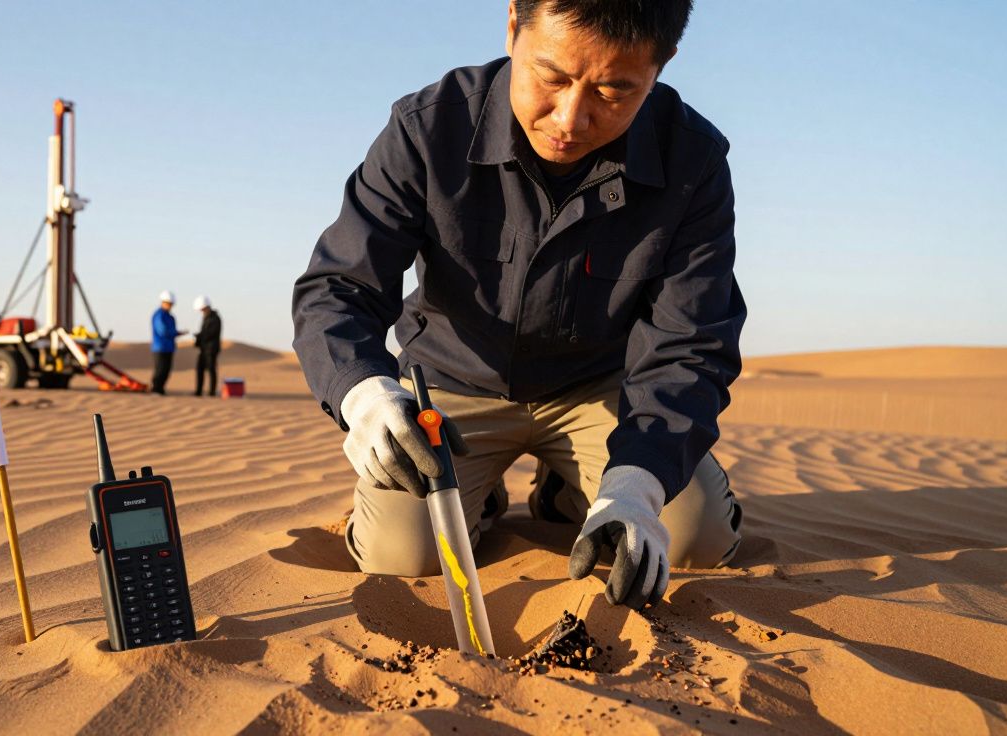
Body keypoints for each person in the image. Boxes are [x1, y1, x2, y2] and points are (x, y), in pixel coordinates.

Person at [292, 0, 745, 611]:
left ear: (661, 67)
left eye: (614, 92)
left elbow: (691, 342)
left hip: (600, 393)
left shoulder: (693, 161)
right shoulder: (428, 127)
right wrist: (365, 396)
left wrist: (637, 482)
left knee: (693, 538)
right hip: (450, 393)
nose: (571, 117)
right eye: (552, 77)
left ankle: (570, 490)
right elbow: (338, 287)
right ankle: (479, 496)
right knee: (405, 559)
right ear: (513, 26)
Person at [150, 290, 187, 395]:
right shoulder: (159, 315)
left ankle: (160, 389)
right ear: (163, 302)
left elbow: (170, 331)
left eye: (171, 304)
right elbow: (163, 331)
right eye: (168, 303)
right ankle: (156, 389)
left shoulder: (170, 316)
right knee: (160, 369)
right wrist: (176, 333)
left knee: (166, 370)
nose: (170, 306)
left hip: (169, 347)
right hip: (160, 347)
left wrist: (177, 333)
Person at [192, 295, 222, 397]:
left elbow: (210, 334)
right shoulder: (206, 318)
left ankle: (212, 392)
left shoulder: (215, 318)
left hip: (211, 349)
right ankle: (198, 391)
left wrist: (200, 337)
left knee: (211, 369)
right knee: (200, 369)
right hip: (204, 349)